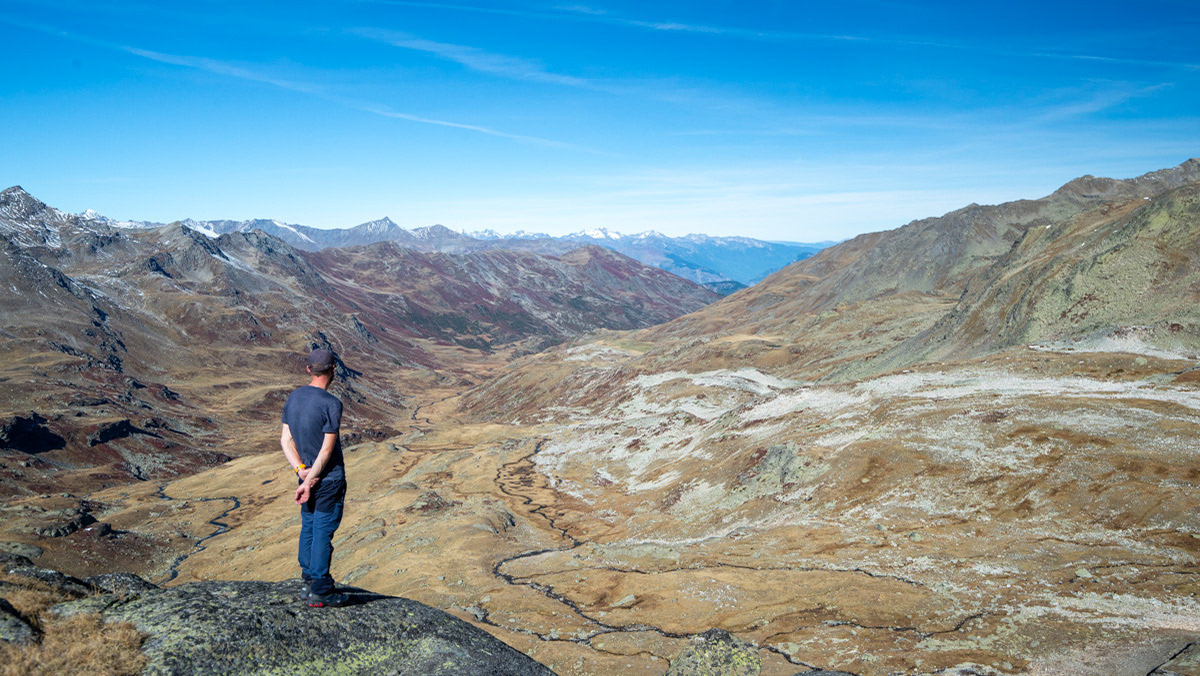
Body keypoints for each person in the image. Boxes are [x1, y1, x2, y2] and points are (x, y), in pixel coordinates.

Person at [280, 347, 349, 607]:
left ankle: (308, 581)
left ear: (309, 369)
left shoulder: (294, 398)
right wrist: (311, 480)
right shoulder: (331, 404)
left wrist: (301, 471)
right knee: (322, 530)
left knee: (308, 526)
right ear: (333, 370)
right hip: (328, 480)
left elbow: (286, 440)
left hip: (306, 477)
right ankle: (321, 589)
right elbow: (327, 450)